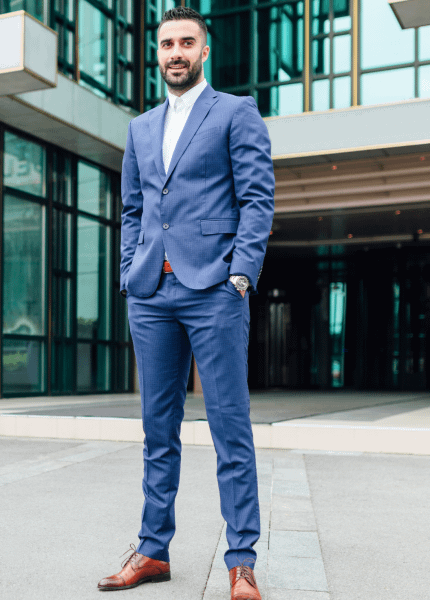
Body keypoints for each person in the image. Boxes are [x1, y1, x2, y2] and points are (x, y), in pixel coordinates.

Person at [98, 7, 274, 600]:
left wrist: (241, 276)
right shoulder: (140, 127)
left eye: (186, 42)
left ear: (204, 51)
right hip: (151, 293)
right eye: (167, 42)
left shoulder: (235, 112)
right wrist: (128, 273)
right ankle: (152, 551)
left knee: (230, 427)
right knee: (158, 429)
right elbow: (132, 210)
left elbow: (257, 199)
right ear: (158, 52)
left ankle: (242, 561)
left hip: (215, 292)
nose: (175, 51)